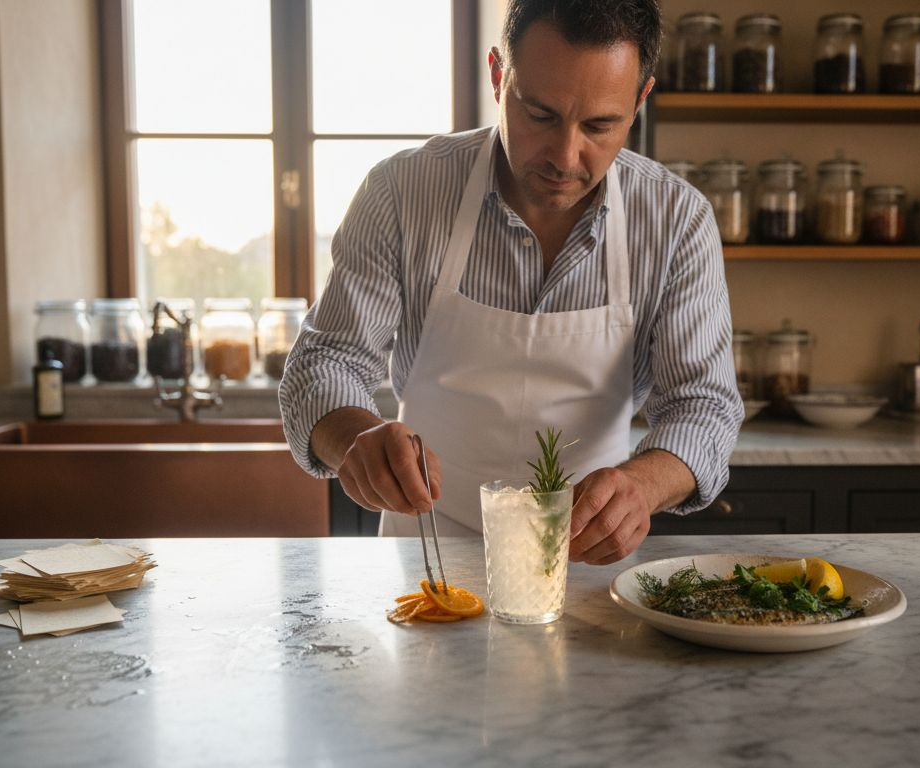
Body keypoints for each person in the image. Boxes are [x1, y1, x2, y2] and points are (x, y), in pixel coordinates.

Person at [279, 0, 742, 565]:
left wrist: (641, 488)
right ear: (499, 76)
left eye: (599, 125)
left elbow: (703, 406)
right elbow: (325, 362)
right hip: (427, 552)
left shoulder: (675, 219)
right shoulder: (402, 192)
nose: (565, 157)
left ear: (640, 99)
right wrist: (356, 437)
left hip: (585, 558)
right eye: (540, 115)